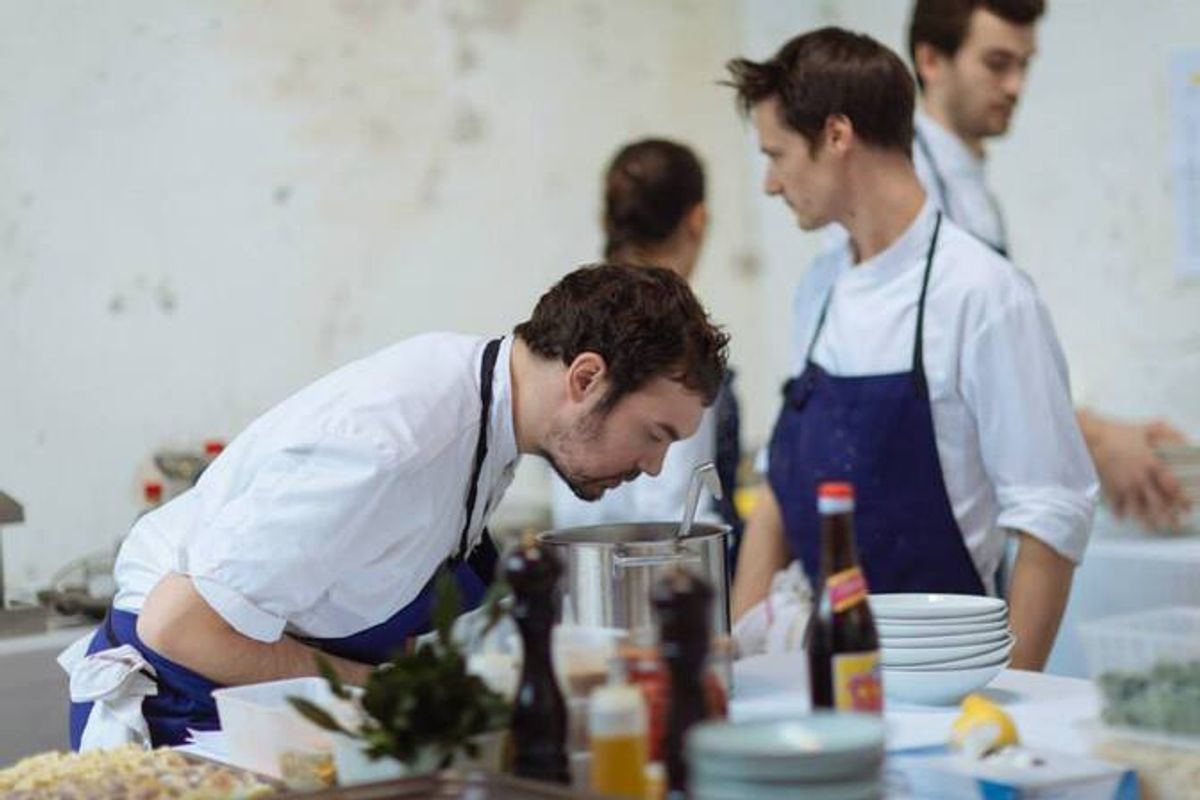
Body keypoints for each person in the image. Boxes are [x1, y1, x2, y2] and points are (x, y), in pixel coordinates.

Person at [61, 263, 728, 749]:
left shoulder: (488, 416)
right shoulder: (394, 445)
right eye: (655, 434)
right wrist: (379, 688)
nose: (653, 466)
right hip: (184, 717)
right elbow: (180, 625)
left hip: (261, 711)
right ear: (586, 378)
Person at [725, 27, 1097, 670]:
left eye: (777, 154)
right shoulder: (819, 288)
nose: (770, 184)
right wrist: (742, 657)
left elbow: (1051, 519)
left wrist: (1009, 700)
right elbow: (783, 487)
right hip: (823, 675)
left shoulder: (984, 295)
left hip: (948, 680)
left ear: (836, 136)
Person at [907, 0, 1192, 529]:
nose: (1016, 86)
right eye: (997, 63)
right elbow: (951, 371)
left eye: (1024, 65)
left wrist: (1098, 433)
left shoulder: (973, 187)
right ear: (930, 61)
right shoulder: (908, 191)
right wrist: (1097, 440)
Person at [551, 139, 744, 560]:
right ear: (698, 220)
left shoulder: (576, 316)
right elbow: (673, 510)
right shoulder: (672, 337)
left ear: (607, 218)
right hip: (660, 575)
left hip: (585, 562)